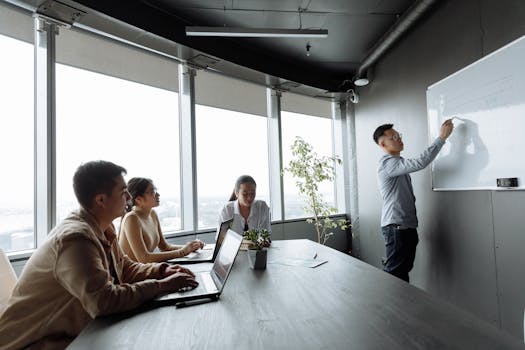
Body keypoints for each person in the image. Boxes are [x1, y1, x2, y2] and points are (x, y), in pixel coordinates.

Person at [0, 161, 198, 350]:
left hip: (74, 336)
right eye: (123, 192)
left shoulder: (102, 227)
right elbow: (104, 301)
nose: (129, 197)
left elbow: (125, 269)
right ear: (101, 200)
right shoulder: (76, 239)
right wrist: (163, 285)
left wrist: (162, 271)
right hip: (34, 344)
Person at [373, 119, 454, 282]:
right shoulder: (388, 163)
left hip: (404, 227)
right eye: (393, 137)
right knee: (396, 275)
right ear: (383, 145)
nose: (398, 139)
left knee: (401, 273)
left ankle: (397, 306)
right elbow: (420, 162)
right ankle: (390, 307)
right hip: (397, 228)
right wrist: (441, 138)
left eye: (398, 135)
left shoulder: (398, 163)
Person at [119, 177, 204, 263]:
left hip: (143, 270)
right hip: (130, 274)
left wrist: (191, 247)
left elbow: (164, 247)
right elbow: (144, 258)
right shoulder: (131, 219)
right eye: (153, 192)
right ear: (138, 199)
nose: (158, 194)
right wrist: (182, 252)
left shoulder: (152, 214)